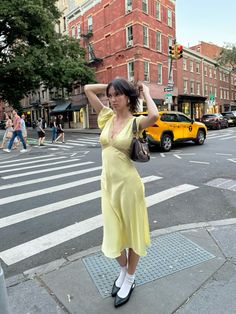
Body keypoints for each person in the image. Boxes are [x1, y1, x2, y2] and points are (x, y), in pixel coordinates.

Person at [84, 78, 158, 308]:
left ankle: (131, 278)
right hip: (108, 185)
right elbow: (87, 89)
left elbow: (154, 116)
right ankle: (124, 272)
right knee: (114, 232)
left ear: (127, 97)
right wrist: (112, 84)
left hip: (129, 186)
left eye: (117, 95)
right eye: (110, 95)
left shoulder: (134, 123)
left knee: (132, 232)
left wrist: (144, 91)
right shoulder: (106, 117)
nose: (112, 99)